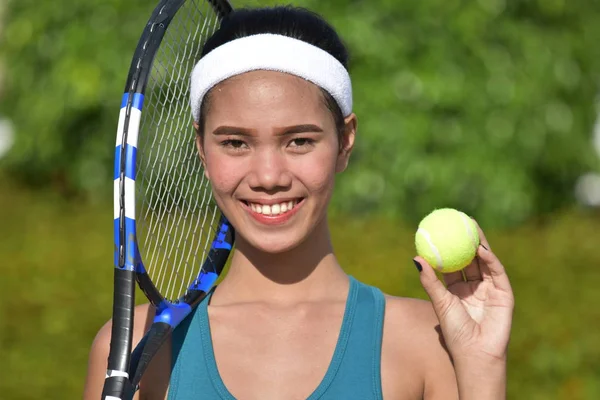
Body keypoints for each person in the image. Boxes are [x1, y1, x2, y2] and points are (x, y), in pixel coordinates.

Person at [85, 6, 514, 400]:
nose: (269, 177)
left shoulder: (425, 341)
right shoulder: (130, 347)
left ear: (346, 140)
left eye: (299, 140)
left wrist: (482, 367)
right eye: (235, 142)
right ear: (200, 146)